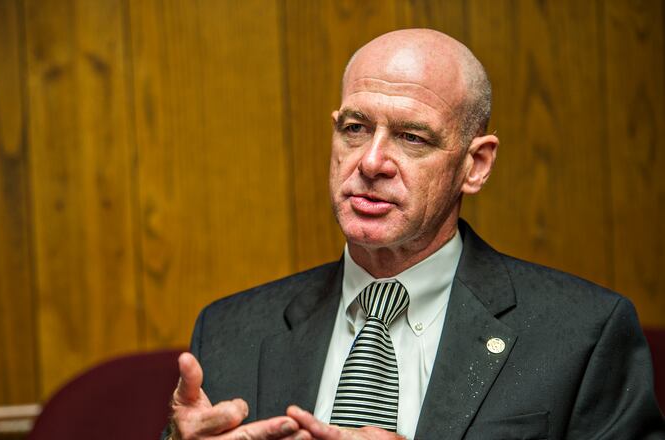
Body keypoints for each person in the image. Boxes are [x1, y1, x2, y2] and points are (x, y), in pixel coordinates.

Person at [165, 28, 665, 439]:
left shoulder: (583, 335)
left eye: (411, 137)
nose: (372, 161)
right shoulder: (231, 331)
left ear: (476, 165)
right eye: (356, 128)